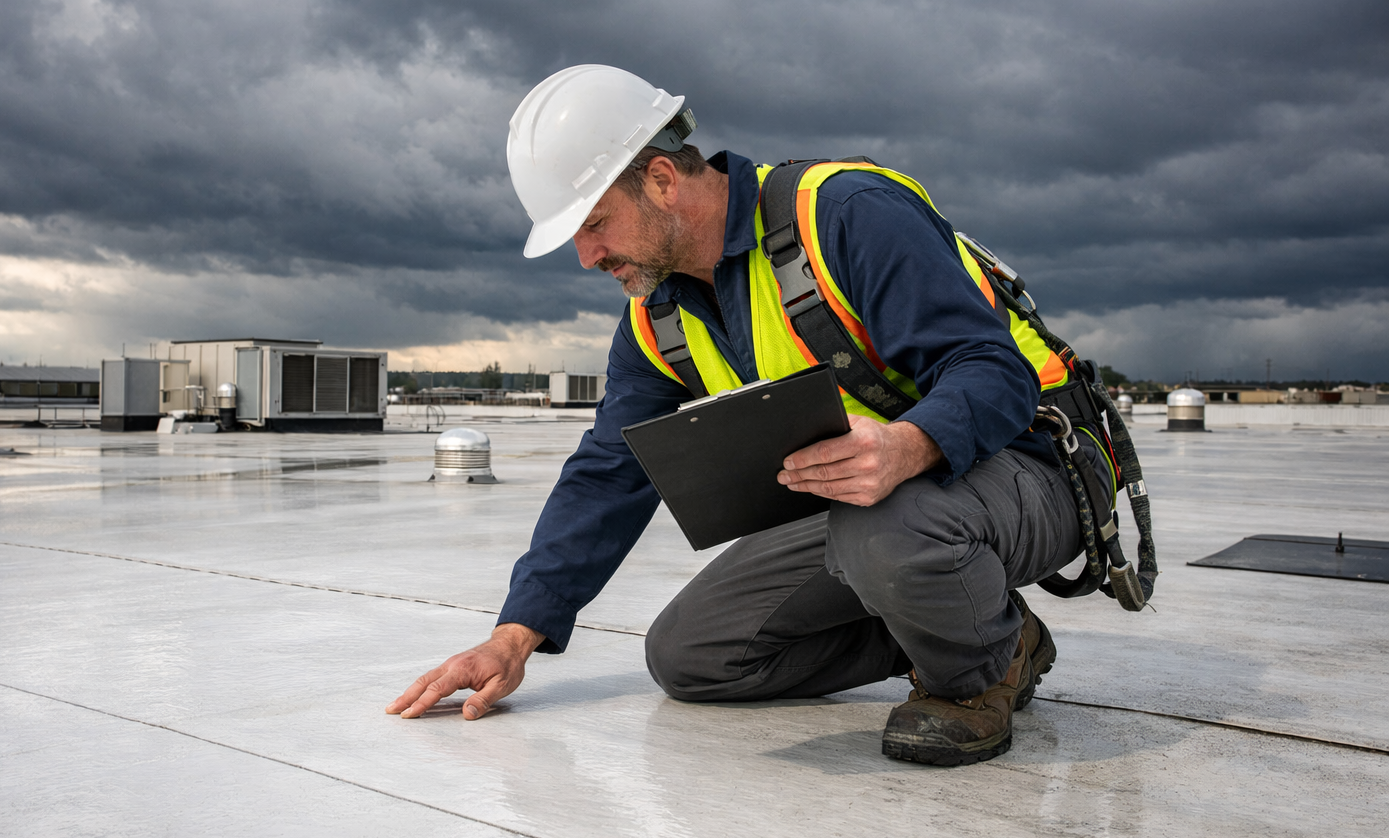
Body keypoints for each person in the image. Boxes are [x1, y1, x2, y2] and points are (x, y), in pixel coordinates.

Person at [388, 64, 1106, 766]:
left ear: (662, 181)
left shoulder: (847, 216)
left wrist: (910, 445)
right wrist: (514, 637)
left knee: (883, 529)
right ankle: (975, 620)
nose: (585, 256)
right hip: (881, 508)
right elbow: (608, 472)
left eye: (595, 223)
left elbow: (991, 370)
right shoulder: (656, 316)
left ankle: (977, 674)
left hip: (1032, 464)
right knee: (693, 656)